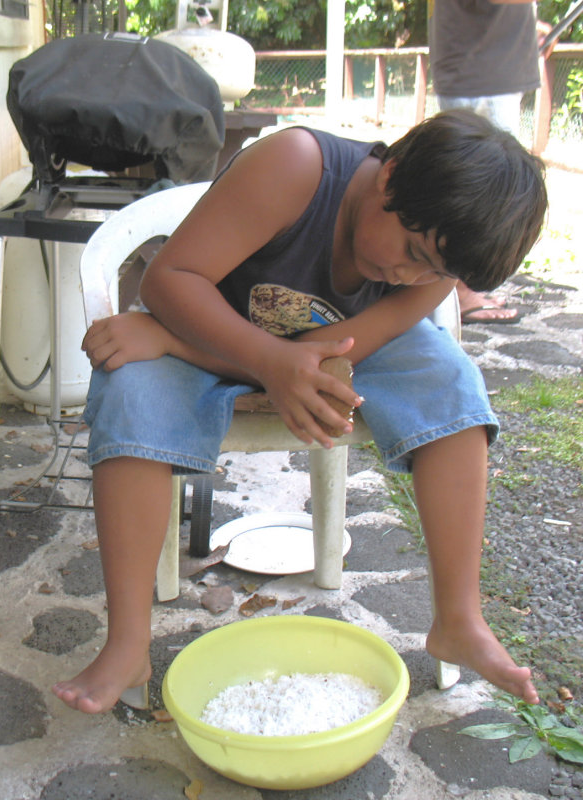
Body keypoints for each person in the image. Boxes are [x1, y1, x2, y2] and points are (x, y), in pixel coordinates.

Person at [52, 110, 547, 715]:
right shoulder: (295, 168)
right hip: (212, 323)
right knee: (132, 390)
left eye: (437, 272)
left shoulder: (432, 272)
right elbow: (169, 280)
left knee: (453, 386)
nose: (410, 275)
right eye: (414, 251)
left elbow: (324, 355)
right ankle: (127, 642)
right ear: (388, 179)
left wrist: (191, 347)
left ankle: (460, 618)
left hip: (294, 348)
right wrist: (209, 349)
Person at [428, 0, 552, 324]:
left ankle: (462, 287)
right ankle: (457, 290)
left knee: (487, 189)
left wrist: (524, 30)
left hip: (489, 67)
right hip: (478, 72)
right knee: (479, 189)